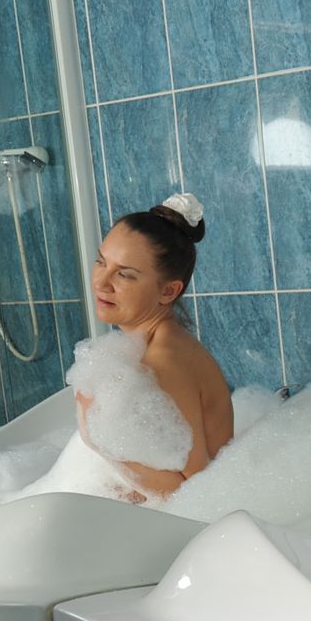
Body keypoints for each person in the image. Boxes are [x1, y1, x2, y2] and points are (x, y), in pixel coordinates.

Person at [82, 192, 233, 498]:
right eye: (101, 262)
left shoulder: (163, 360)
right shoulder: (150, 343)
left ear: (168, 292)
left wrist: (98, 438)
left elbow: (197, 489)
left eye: (124, 274)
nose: (101, 282)